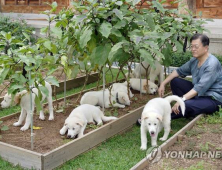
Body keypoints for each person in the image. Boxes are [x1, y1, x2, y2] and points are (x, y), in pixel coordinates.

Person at [158, 33, 222, 119]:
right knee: (175, 81)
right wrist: (163, 83)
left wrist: (181, 100)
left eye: (196, 47)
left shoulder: (212, 64)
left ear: (206, 48)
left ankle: (158, 118)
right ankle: (190, 108)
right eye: (191, 46)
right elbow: (178, 71)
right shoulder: (195, 60)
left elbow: (199, 88)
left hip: (212, 98)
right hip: (198, 95)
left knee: (185, 104)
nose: (193, 49)